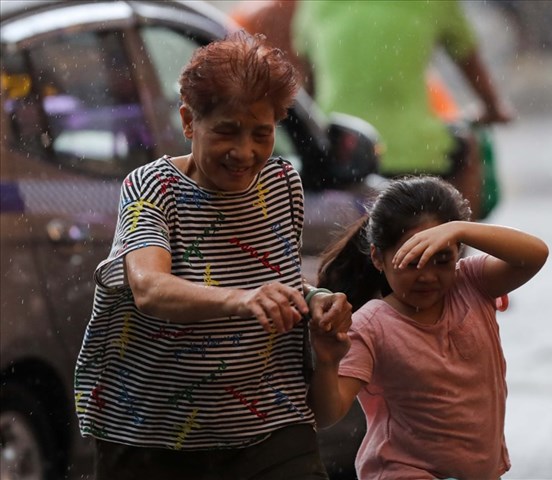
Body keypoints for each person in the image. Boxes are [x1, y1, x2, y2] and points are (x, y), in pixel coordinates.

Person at [73, 30, 352, 480]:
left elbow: (267, 276)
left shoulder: (283, 185)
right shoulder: (151, 188)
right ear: (189, 121)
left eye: (262, 134)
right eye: (227, 131)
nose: (245, 152)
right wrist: (242, 300)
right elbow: (148, 287)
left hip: (272, 428)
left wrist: (314, 299)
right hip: (154, 438)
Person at [309, 176, 548, 479]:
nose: (427, 276)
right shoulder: (371, 324)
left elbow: (535, 254)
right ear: (378, 258)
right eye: (412, 262)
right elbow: (327, 414)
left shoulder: (471, 283)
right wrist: (327, 362)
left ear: (458, 251)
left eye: (442, 259)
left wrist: (458, 229)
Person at [291, 1, 514, 218]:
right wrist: (493, 108)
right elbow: (468, 59)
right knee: (468, 146)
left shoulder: (314, 3)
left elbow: (306, 85)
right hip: (419, 151)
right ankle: (458, 236)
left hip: (342, 151)